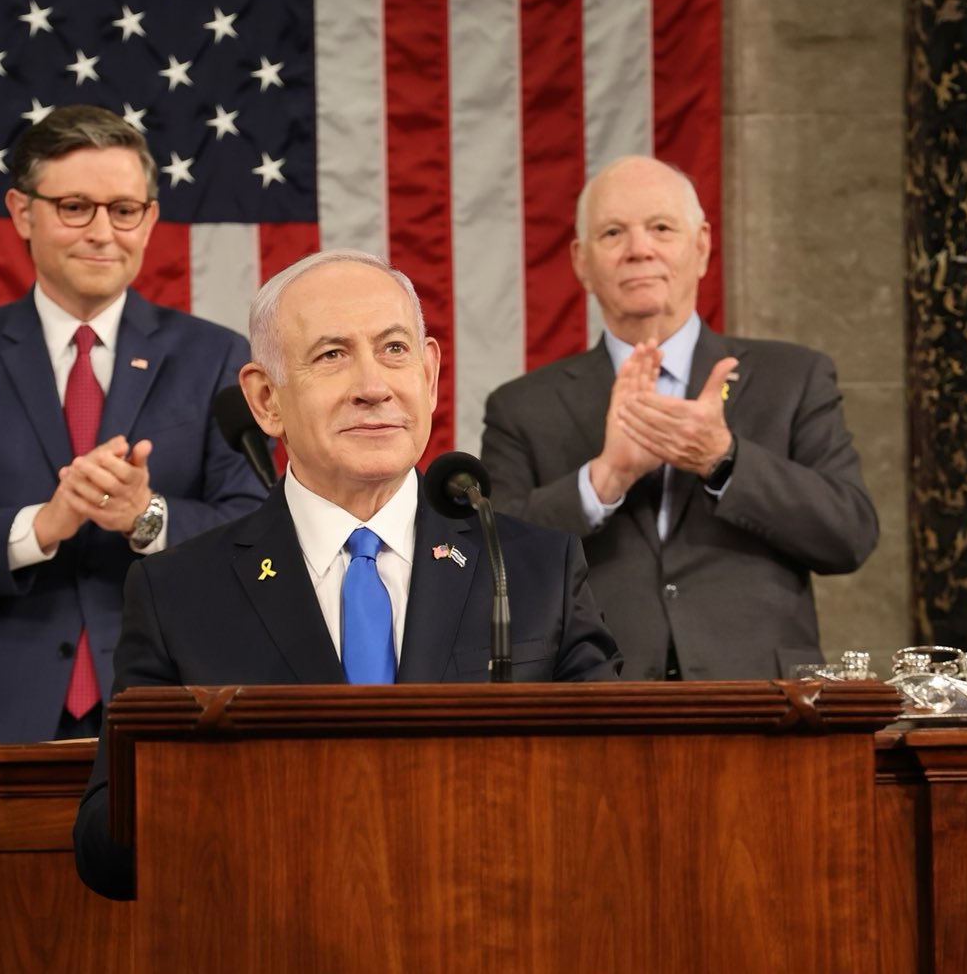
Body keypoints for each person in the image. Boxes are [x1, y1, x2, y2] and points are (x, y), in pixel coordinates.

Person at [73, 249, 620, 899]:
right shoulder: (180, 592)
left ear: (430, 372)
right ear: (266, 400)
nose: (373, 385)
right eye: (332, 355)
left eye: (393, 349)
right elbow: (107, 849)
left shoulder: (532, 568)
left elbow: (617, 796)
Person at [0, 105, 266, 743]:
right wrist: (42, 525)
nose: (102, 232)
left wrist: (147, 516)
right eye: (75, 207)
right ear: (23, 212)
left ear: (150, 219)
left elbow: (259, 534)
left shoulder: (215, 356)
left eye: (123, 209)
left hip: (170, 696)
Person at [480, 155, 879, 680]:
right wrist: (603, 481)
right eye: (613, 232)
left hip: (765, 707)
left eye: (661, 228)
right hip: (595, 707)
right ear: (581, 261)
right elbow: (489, 569)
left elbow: (849, 535)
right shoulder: (521, 406)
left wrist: (723, 459)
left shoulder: (794, 377)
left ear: (702, 246)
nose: (638, 249)